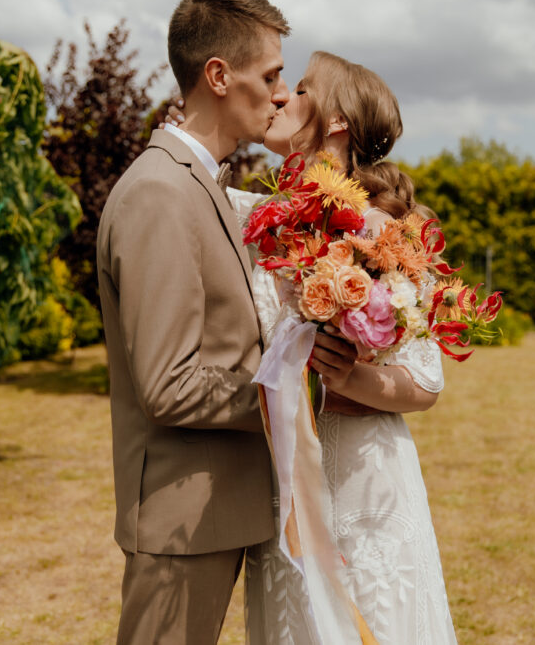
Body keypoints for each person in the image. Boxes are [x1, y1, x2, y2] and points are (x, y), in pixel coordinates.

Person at [96, 0, 356, 644]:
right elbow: (167, 382)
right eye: (270, 75)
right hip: (182, 524)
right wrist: (284, 396)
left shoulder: (201, 185)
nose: (279, 94)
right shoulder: (160, 193)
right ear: (218, 75)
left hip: (217, 513)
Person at [178, 51, 460, 643]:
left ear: (335, 121)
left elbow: (427, 384)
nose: (279, 96)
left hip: (365, 488)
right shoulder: (247, 219)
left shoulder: (386, 233)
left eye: (299, 88)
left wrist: (353, 379)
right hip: (283, 491)